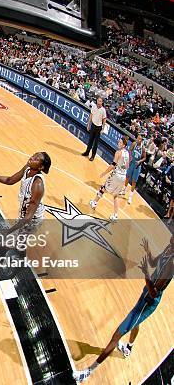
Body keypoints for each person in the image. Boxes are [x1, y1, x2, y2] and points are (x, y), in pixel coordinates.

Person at [73, 235, 173, 382]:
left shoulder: (171, 265)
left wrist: (145, 274)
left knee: (116, 336)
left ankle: (87, 372)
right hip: (146, 293)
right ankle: (129, 348)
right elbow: (153, 263)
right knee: (136, 324)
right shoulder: (168, 249)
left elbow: (154, 293)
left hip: (148, 303)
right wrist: (148, 252)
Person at [0, 152, 51, 293]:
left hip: (31, 221)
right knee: (19, 243)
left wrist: (9, 231)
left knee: (2, 248)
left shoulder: (38, 185)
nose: (32, 157)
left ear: (41, 167)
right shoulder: (27, 168)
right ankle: (22, 257)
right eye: (34, 155)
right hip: (24, 217)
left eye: (37, 159)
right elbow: (10, 180)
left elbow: (28, 218)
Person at [90, 136, 130, 221]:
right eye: (118, 142)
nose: (118, 143)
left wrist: (104, 173)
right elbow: (127, 166)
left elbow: (113, 165)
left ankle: (94, 202)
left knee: (103, 188)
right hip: (123, 177)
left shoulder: (118, 152)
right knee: (115, 196)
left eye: (120, 142)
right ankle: (115, 215)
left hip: (116, 175)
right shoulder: (127, 153)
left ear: (124, 145)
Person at [123, 134, 146, 205]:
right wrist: (130, 158)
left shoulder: (143, 148)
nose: (138, 140)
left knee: (134, 181)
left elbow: (144, 158)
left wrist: (139, 161)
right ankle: (123, 190)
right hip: (132, 163)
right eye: (137, 138)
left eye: (139, 139)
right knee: (127, 176)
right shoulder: (134, 144)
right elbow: (129, 150)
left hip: (137, 165)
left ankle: (130, 196)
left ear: (141, 140)